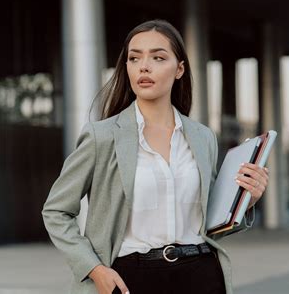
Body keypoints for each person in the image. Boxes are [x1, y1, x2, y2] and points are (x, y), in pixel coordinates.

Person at [42, 19, 269, 294]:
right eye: (134, 58)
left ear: (179, 69)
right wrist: (94, 269)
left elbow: (209, 224)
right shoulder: (101, 137)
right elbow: (56, 211)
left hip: (201, 274)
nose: (144, 66)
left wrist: (245, 201)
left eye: (158, 57)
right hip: (131, 279)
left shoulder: (202, 137)